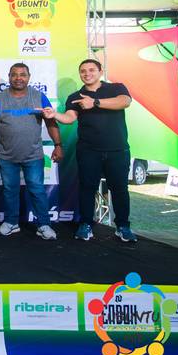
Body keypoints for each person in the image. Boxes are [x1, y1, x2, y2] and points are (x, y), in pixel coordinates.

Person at [42, 59, 137, 242]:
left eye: (91, 70)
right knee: (87, 188)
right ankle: (85, 224)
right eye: (83, 71)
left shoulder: (116, 88)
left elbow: (125, 102)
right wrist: (55, 114)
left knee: (119, 189)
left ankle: (123, 227)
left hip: (117, 150)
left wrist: (95, 102)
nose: (87, 74)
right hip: (88, 151)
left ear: (100, 71)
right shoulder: (75, 96)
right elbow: (70, 118)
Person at [0, 63, 63, 240]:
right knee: (9, 190)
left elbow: (51, 121)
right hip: (7, 156)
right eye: (14, 74)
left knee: (37, 190)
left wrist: (58, 145)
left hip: (33, 155)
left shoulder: (39, 97)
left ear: (29, 77)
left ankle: (44, 224)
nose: (18, 78)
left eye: (23, 74)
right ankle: (11, 222)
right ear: (9, 77)